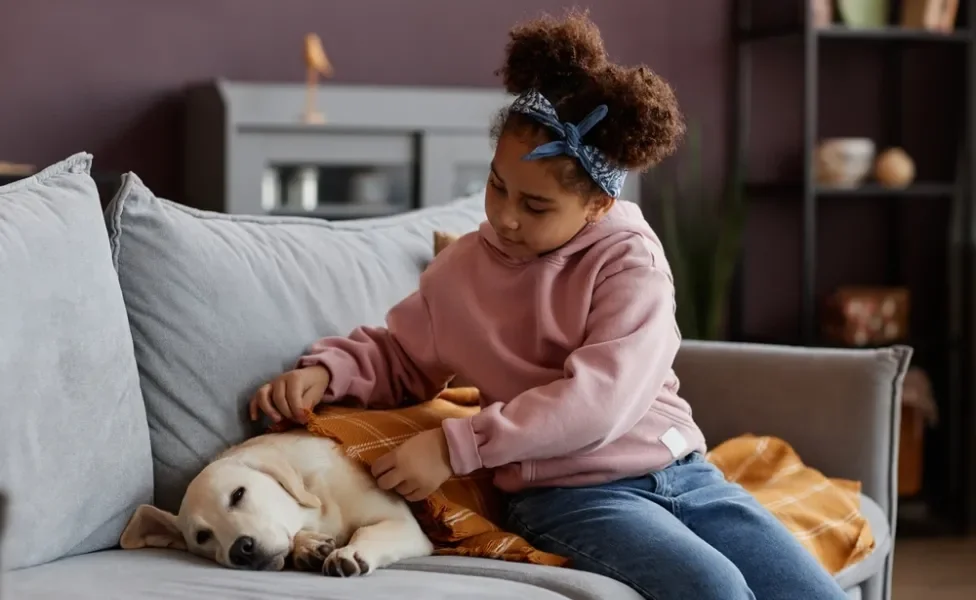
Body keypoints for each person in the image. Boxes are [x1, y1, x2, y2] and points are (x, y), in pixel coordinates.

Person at [249, 9, 849, 600]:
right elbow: (404, 356)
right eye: (497, 186)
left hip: (685, 475)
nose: (505, 217)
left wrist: (457, 445)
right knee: (714, 589)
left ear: (597, 207)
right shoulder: (461, 272)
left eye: (536, 207)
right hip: (568, 495)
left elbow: (599, 402)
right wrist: (330, 371)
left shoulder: (630, 262)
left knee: (807, 592)